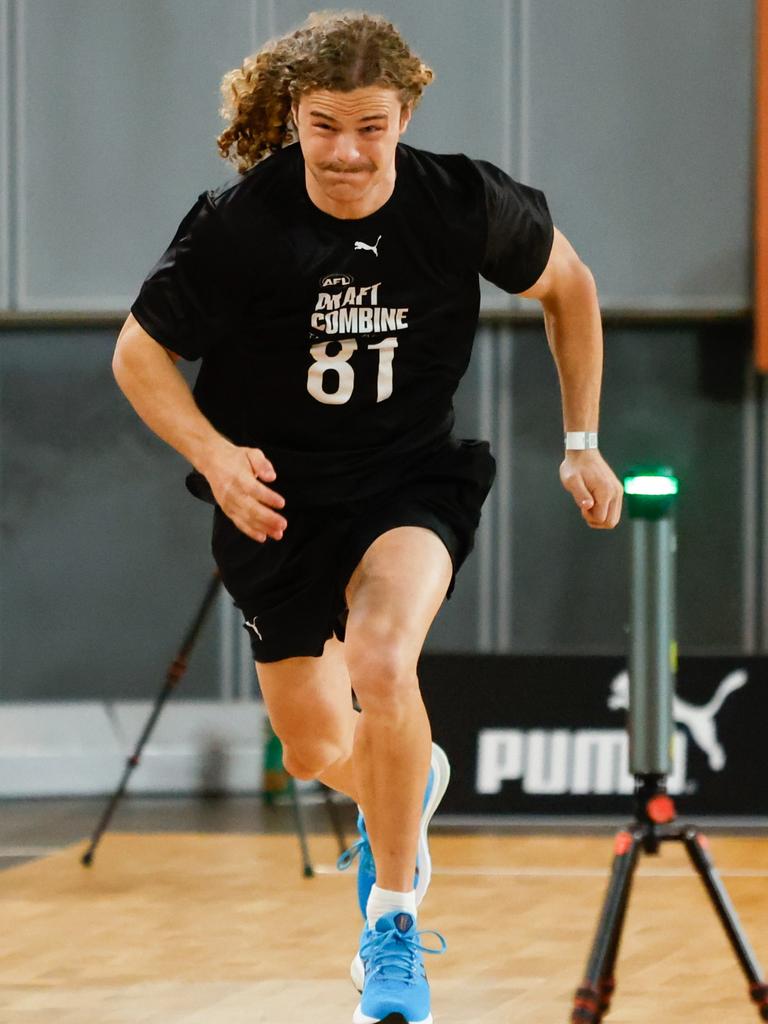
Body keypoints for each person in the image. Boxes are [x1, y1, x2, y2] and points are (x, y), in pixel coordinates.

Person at [113, 11, 624, 1024]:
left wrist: (580, 440)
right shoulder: (240, 225)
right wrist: (213, 456)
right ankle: (405, 774)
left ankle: (391, 926)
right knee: (311, 752)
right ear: (292, 117)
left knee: (386, 663)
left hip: (408, 482)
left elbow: (569, 286)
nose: (347, 151)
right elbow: (138, 353)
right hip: (276, 500)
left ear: (406, 115)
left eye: (372, 127)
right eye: (323, 126)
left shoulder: (461, 201)